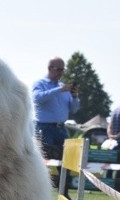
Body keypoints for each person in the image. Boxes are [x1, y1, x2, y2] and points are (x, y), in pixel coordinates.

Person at [32, 56, 79, 187]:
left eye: (63, 70)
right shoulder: (40, 84)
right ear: (50, 68)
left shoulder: (63, 87)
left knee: (67, 160)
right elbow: (36, 98)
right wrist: (59, 90)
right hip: (45, 128)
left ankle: (64, 190)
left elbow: (74, 108)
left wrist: (75, 96)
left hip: (61, 129)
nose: (61, 73)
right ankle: (40, 188)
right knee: (45, 161)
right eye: (59, 69)